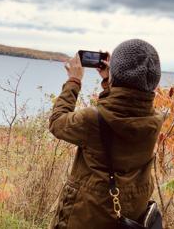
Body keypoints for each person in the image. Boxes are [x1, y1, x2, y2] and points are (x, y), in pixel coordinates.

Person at [49, 39, 163, 229]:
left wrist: (74, 81)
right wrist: (109, 82)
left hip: (86, 215)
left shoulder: (93, 120)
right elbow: (128, 106)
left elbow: (57, 122)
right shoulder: (154, 121)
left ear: (116, 76)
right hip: (129, 215)